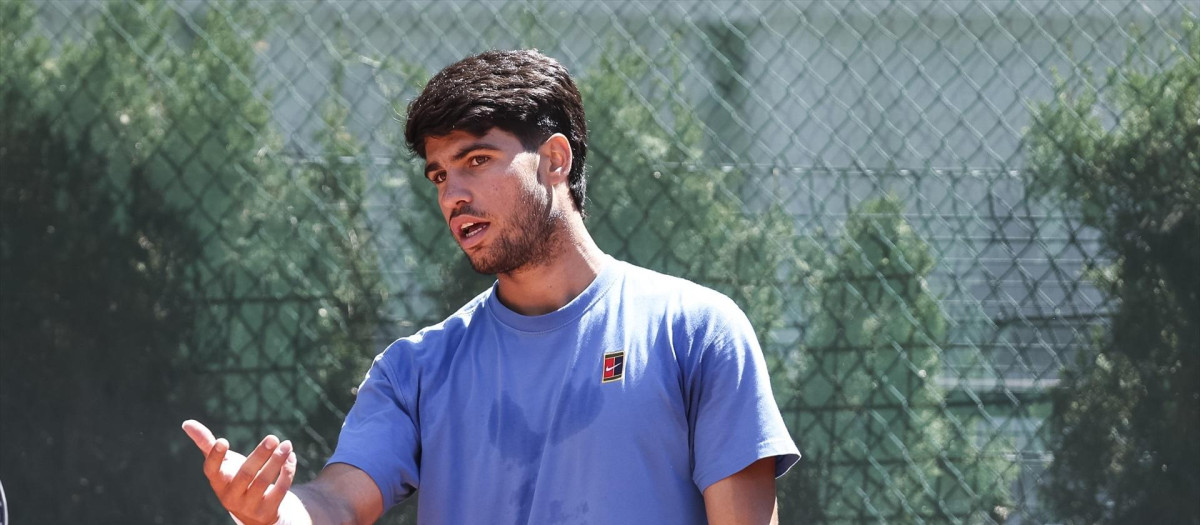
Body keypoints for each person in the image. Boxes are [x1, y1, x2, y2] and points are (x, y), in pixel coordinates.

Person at [183, 49, 799, 525]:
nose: (453, 194)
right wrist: (270, 509)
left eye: (476, 160)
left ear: (555, 160)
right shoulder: (413, 370)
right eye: (439, 174)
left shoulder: (695, 332)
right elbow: (338, 503)